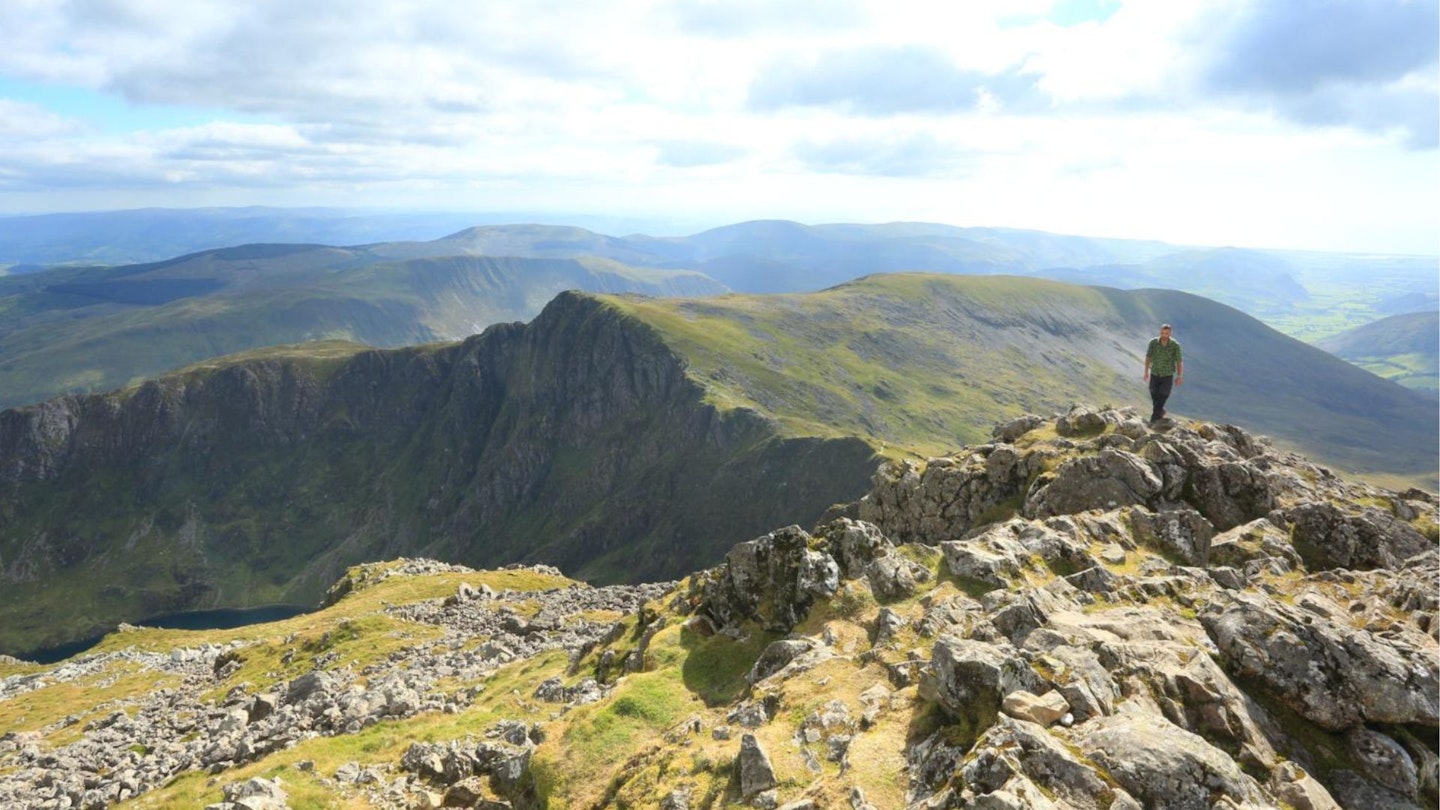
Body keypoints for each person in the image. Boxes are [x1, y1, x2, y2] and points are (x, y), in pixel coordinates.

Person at [1142, 323, 1183, 424]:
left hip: (1167, 375)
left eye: (1167, 333)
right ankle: (1160, 411)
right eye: (1163, 333)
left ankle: (1153, 420)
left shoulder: (1175, 345)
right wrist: (1146, 371)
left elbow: (1179, 361)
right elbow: (1148, 357)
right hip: (1155, 373)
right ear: (1160, 332)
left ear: (1170, 333)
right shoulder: (1153, 343)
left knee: (1163, 395)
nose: (1164, 335)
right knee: (1154, 394)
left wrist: (1180, 376)